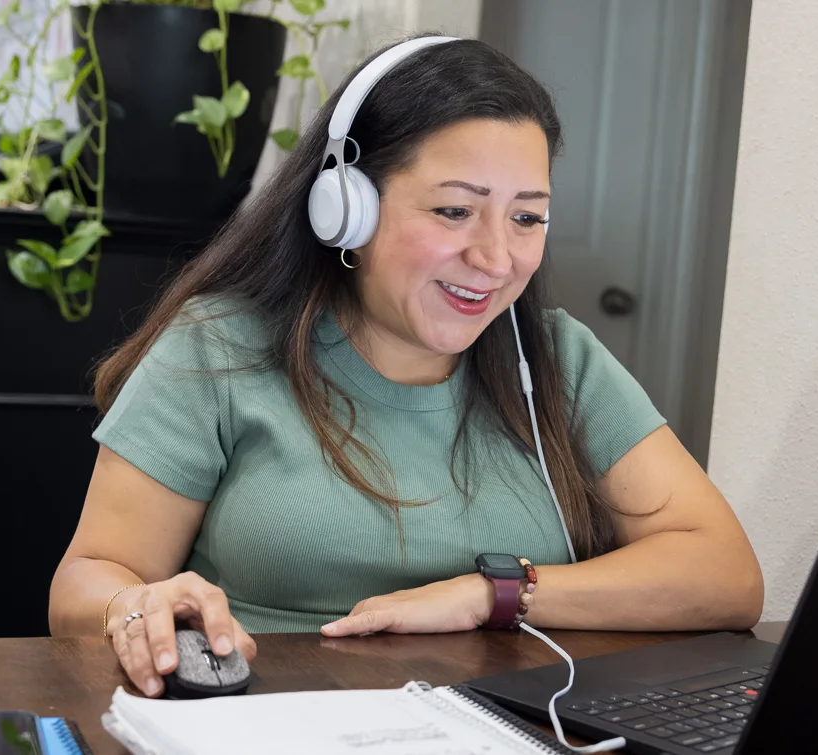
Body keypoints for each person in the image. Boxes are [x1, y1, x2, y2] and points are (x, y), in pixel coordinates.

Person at [48, 35, 763, 699]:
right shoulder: (220, 348)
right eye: (455, 211)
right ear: (344, 208)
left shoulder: (555, 357)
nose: (495, 258)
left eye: (526, 217)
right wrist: (130, 607)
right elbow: (86, 579)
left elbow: (725, 574)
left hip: (501, 725)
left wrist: (492, 593)